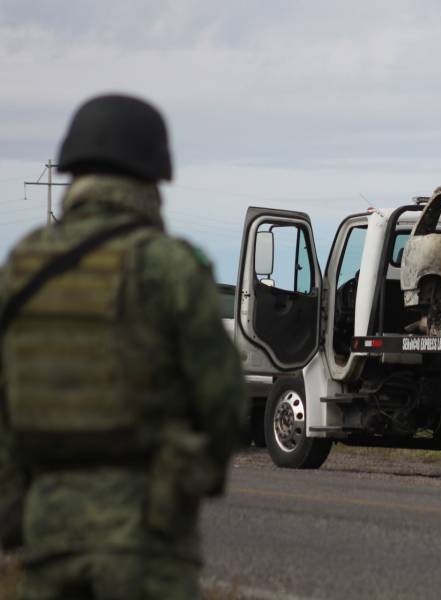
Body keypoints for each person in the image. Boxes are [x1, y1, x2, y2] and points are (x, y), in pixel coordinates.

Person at [0, 94, 246, 599]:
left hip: (49, 535)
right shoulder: (171, 267)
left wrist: (16, 514)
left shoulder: (22, 269)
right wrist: (183, 486)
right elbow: (223, 402)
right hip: (147, 538)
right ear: (153, 176)